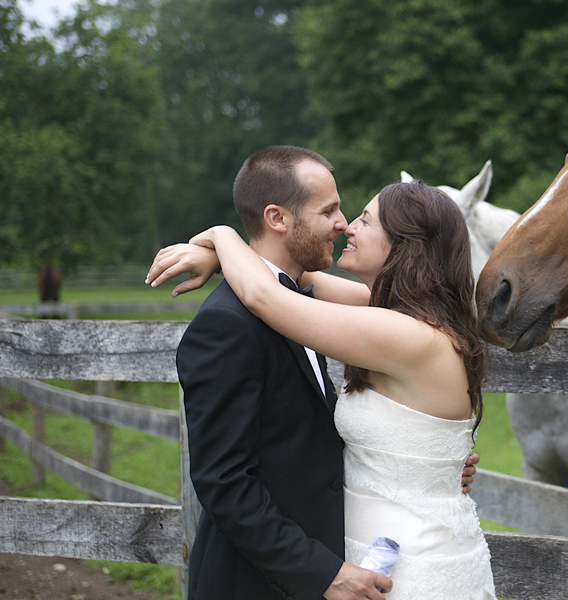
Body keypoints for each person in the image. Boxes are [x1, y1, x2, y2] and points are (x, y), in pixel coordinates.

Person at [151, 146, 487, 600]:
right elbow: (293, 284)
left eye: (363, 220)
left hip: (407, 565)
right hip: (331, 563)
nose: (346, 224)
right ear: (277, 217)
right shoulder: (382, 313)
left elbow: (268, 297)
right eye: (331, 209)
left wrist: (221, 237)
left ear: (403, 248)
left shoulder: (403, 334)